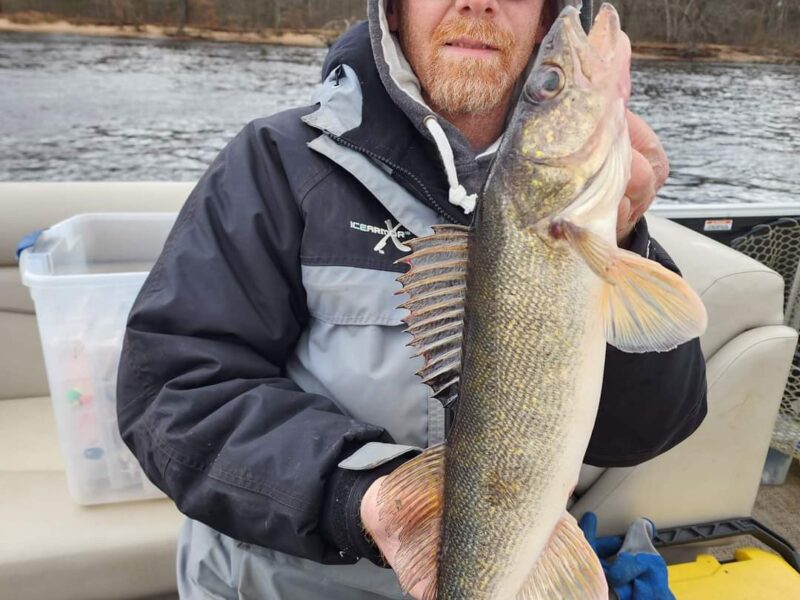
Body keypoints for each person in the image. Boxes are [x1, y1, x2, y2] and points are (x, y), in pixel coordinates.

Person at [116, 1, 707, 598]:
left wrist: (624, 238)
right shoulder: (274, 162)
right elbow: (172, 396)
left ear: (545, 17)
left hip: (516, 566)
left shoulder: (592, 226)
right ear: (393, 12)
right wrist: (362, 494)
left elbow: (646, 432)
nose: (478, 2)